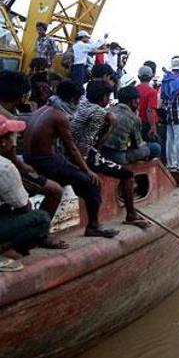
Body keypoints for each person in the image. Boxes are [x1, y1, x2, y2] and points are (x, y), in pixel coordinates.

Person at [24, 81, 118, 238]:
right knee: (92, 183)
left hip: (33, 157)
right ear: (74, 99)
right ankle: (93, 226)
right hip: (45, 161)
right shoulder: (60, 116)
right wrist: (88, 171)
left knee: (77, 178)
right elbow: (72, 149)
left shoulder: (42, 109)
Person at [71, 81, 150, 229]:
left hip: (76, 151)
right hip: (84, 155)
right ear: (103, 98)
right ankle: (130, 214)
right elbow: (93, 146)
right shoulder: (100, 113)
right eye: (108, 96)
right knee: (127, 175)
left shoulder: (82, 106)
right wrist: (111, 126)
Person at [0, 71, 65, 229]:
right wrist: (27, 169)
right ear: (23, 95)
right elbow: (12, 159)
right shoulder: (9, 119)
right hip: (5, 168)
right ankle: (38, 233)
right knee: (55, 190)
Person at [0, 115, 53, 269]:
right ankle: (6, 247)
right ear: (3, 142)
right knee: (41, 218)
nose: (14, 141)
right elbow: (23, 206)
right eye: (12, 138)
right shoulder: (5, 167)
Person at [103, 86, 160, 164]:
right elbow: (138, 145)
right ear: (133, 101)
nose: (138, 101)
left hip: (102, 153)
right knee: (155, 147)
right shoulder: (133, 118)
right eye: (137, 99)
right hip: (119, 157)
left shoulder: (109, 110)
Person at [136, 65, 159, 143]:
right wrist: (153, 126)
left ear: (138, 77)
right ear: (151, 77)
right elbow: (150, 110)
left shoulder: (134, 90)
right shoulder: (152, 92)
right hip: (148, 124)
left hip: (136, 122)